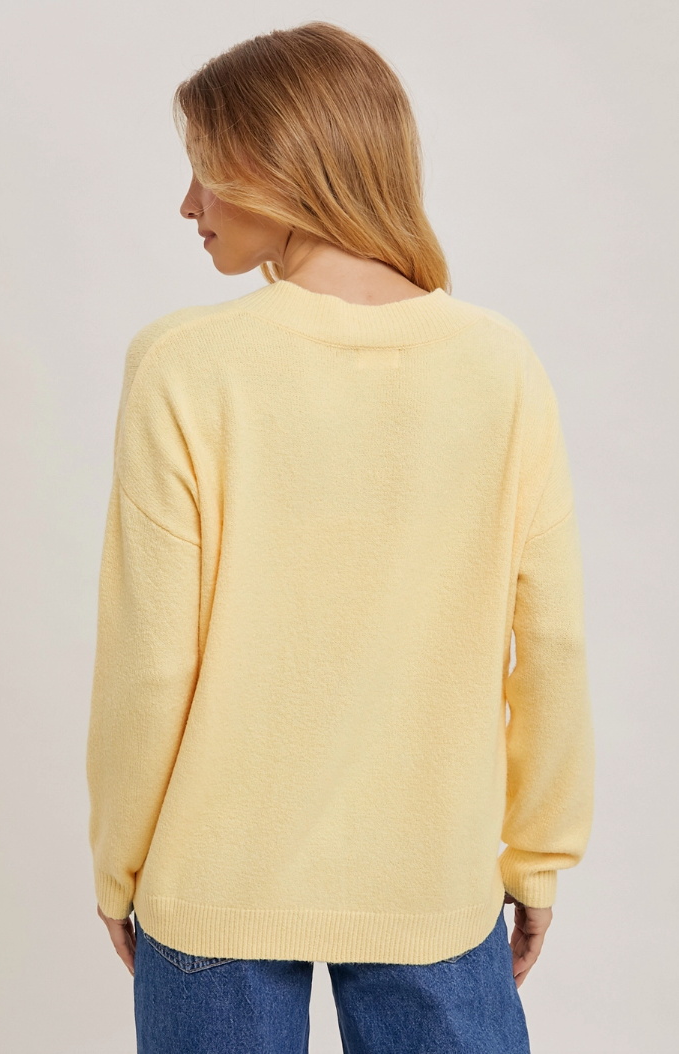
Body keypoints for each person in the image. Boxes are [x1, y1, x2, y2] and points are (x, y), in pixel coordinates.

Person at [86, 20, 595, 1054]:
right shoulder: (499, 366)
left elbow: (150, 661)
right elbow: (548, 642)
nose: (187, 205)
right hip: (433, 885)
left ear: (278, 168)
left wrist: (119, 864)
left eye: (204, 171)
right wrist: (535, 858)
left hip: (213, 886)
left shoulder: (185, 366)